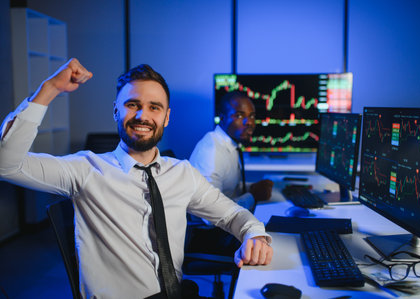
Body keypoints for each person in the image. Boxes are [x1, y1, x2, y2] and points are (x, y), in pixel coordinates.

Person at [0, 58, 273, 299]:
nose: (143, 115)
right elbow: (6, 164)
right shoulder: (85, 170)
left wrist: (255, 236)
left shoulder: (182, 173)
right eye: (133, 105)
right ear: (116, 111)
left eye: (155, 107)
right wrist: (49, 90)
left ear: (166, 118)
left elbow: (232, 215)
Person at [189, 91, 274, 212]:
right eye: (239, 115)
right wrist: (253, 196)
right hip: (211, 229)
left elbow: (228, 189)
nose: (249, 122)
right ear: (222, 118)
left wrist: (252, 188)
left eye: (252, 116)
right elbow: (210, 212)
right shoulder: (211, 153)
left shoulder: (231, 144)